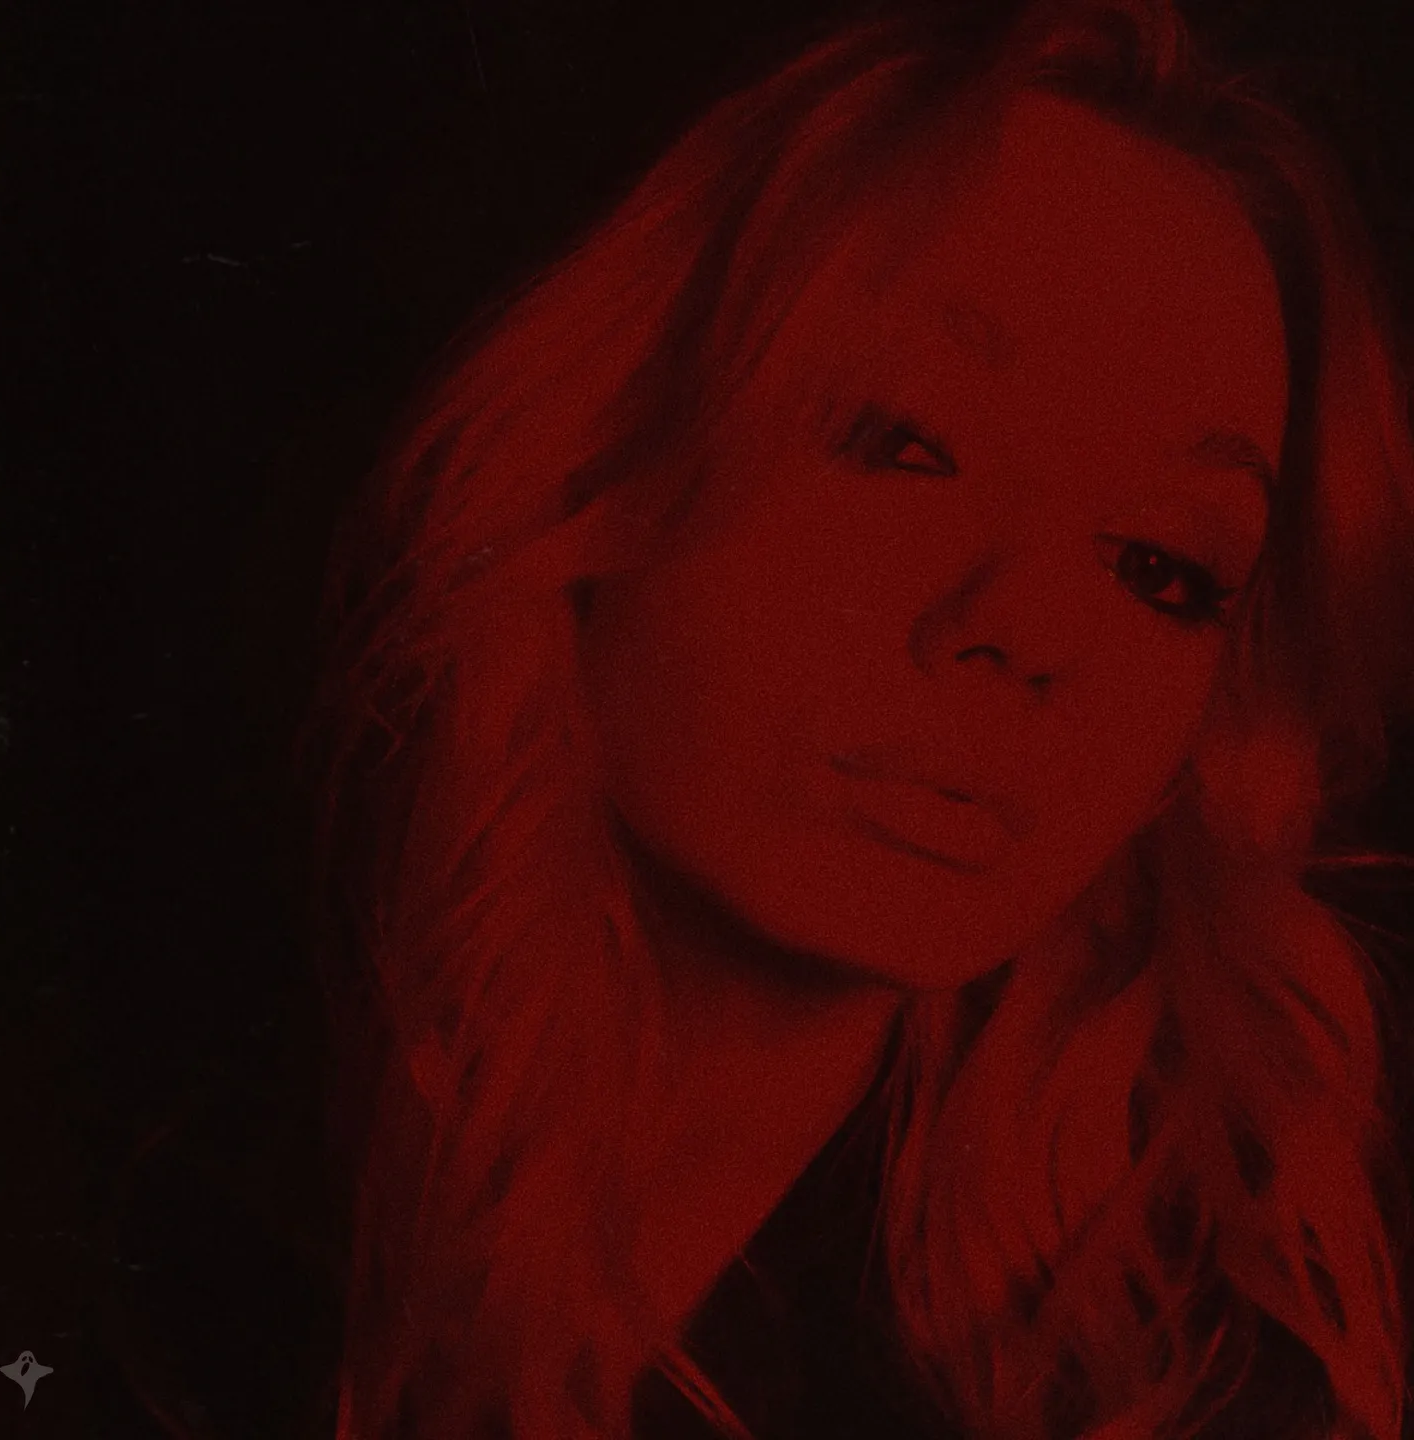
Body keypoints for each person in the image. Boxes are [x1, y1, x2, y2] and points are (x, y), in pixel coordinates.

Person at [292, 1, 1414, 1436]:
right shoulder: (115, 1158)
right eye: (907, 442)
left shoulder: (1187, 1395)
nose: (1033, 628)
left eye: (1159, 566)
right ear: (598, 446)